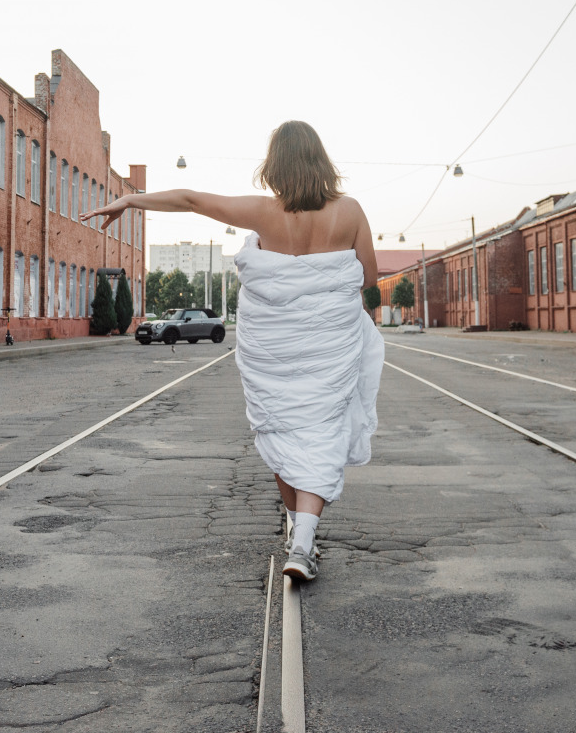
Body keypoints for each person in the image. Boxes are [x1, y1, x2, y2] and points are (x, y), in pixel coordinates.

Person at [83, 120, 383, 582]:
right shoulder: (350, 211)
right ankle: (303, 540)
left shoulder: (264, 212)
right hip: (328, 346)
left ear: (275, 164)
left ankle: (299, 538)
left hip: (276, 349)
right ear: (321, 160)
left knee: (283, 430)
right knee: (323, 431)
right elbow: (367, 277)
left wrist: (131, 199)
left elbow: (191, 200)